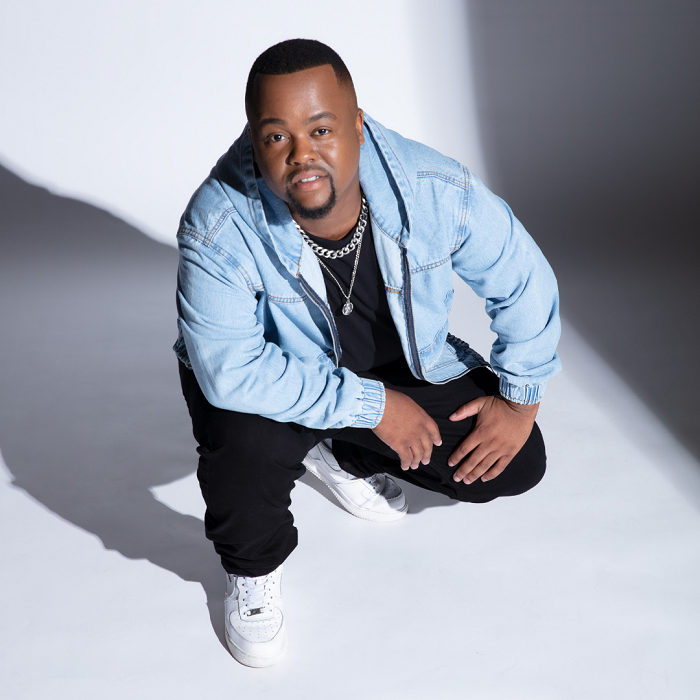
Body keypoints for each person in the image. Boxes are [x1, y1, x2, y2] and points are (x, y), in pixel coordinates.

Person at [175, 38, 561, 667]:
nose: (302, 155)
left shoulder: (430, 186)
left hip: (386, 359)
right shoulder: (218, 223)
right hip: (274, 374)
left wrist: (519, 399)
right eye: (276, 136)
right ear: (253, 139)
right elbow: (229, 370)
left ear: (356, 124)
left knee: (513, 462)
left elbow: (522, 278)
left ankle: (341, 451)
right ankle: (252, 569)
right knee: (246, 444)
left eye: (321, 129)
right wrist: (374, 407)